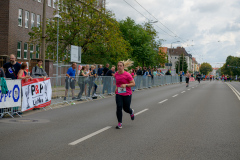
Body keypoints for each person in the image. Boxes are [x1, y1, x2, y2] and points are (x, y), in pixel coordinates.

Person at [115, 60, 135, 129]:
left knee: (126, 108)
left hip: (127, 93)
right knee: (119, 107)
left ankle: (131, 111)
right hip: (119, 93)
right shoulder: (116, 74)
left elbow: (133, 83)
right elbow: (117, 83)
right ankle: (119, 123)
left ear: (123, 67)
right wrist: (116, 88)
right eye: (118, 66)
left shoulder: (127, 75)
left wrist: (126, 85)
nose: (119, 67)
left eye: (121, 66)